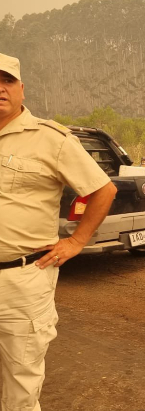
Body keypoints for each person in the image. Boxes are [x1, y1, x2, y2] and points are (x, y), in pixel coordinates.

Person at [0, 53, 117, 411]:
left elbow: (103, 189)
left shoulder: (50, 138)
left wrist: (77, 240)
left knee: (21, 383)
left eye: (6, 81)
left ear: (21, 89)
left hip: (22, 279)